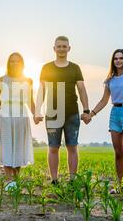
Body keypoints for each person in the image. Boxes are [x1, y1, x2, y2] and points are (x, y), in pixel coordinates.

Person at [34, 36, 91, 185]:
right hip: (53, 113)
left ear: (69, 48)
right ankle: (54, 179)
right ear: (54, 48)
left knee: (72, 146)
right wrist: (37, 110)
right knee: (53, 147)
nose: (61, 49)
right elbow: (42, 90)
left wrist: (86, 110)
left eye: (64, 46)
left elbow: (82, 89)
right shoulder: (46, 67)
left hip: (72, 113)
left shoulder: (75, 67)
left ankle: (72, 179)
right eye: (58, 46)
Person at [87, 49, 123, 191]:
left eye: (121, 58)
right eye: (116, 58)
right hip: (115, 113)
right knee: (118, 153)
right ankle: (120, 185)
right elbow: (104, 100)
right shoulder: (109, 80)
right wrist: (91, 114)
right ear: (113, 61)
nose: (118, 61)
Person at [0, 53, 35, 191]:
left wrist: (36, 114)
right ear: (8, 63)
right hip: (5, 115)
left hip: (21, 115)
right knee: (7, 145)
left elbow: (30, 100)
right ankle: (9, 179)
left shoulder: (29, 80)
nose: (15, 64)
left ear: (22, 63)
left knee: (19, 146)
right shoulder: (2, 79)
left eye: (17, 61)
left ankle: (16, 177)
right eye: (12, 61)